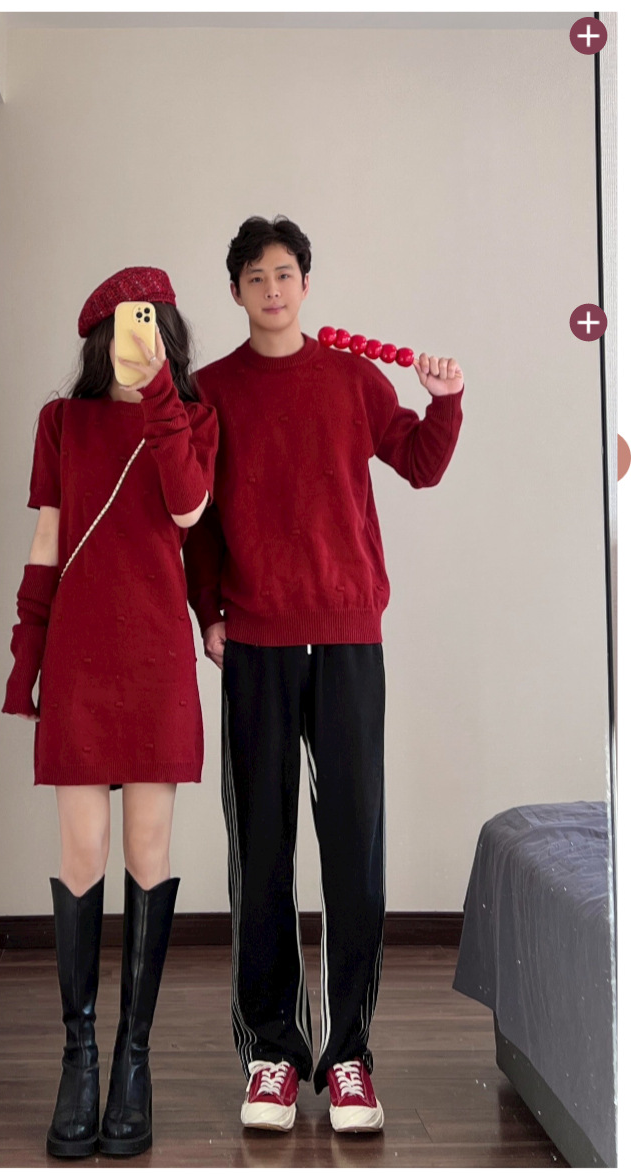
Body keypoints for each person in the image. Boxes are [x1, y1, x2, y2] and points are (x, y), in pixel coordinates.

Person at [183, 216, 464, 1134]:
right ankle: (272, 1053)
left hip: (347, 636)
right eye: (255, 277)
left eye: (285, 274)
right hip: (257, 642)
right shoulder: (212, 390)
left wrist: (445, 401)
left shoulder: (353, 378)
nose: (272, 290)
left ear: (306, 284)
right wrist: (208, 611)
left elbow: (419, 464)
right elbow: (196, 518)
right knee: (261, 848)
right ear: (235, 291)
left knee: (353, 847)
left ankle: (348, 1058)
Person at [2, 267, 218, 1159]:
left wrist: (159, 394)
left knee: (148, 855)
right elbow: (47, 544)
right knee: (81, 855)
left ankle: (134, 1060)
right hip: (81, 656)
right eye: (133, 326)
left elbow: (189, 508)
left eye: (157, 325)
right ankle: (79, 1060)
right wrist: (25, 660)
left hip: (156, 655)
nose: (144, 338)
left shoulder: (192, 417)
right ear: (103, 336)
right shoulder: (61, 421)